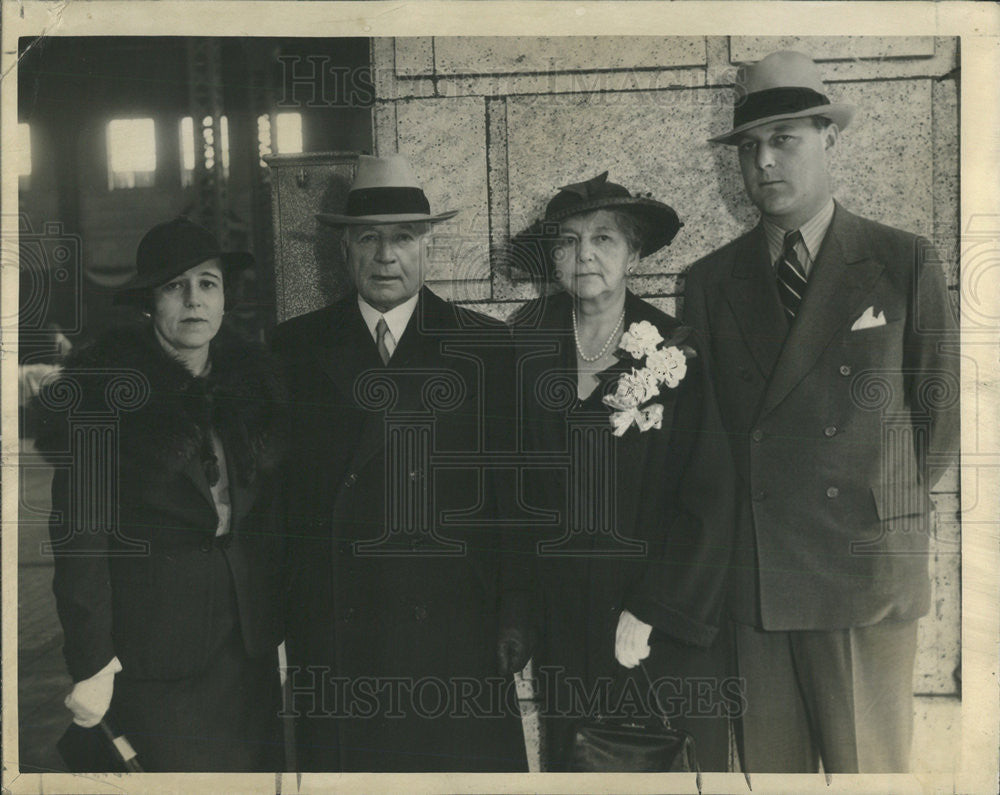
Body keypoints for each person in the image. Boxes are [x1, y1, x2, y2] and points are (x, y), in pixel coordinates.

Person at [683, 50, 960, 773]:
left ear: (826, 138)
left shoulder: (902, 260)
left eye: (785, 140)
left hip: (860, 580)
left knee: (866, 773)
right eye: (749, 147)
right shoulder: (710, 283)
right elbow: (709, 441)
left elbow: (938, 420)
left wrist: (878, 521)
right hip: (762, 581)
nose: (765, 163)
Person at [273, 154, 528, 773]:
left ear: (428, 245)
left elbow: (516, 500)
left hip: (455, 632)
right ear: (344, 250)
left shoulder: (486, 347)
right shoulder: (294, 348)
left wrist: (516, 615)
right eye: (369, 238)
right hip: (340, 631)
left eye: (404, 237)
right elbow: (279, 501)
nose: (386, 255)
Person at [33, 217, 287, 771]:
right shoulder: (103, 397)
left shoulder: (255, 387)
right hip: (155, 659)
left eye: (208, 284)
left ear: (224, 299)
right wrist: (93, 664)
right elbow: (81, 541)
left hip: (248, 655)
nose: (194, 300)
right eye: (175, 286)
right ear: (150, 303)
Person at [505, 172, 737, 771]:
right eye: (567, 241)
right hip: (565, 623)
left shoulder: (674, 351)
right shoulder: (522, 345)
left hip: (652, 624)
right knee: (579, 767)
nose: (584, 255)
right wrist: (519, 608)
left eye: (604, 239)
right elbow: (507, 493)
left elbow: (711, 496)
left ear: (634, 252)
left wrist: (657, 606)